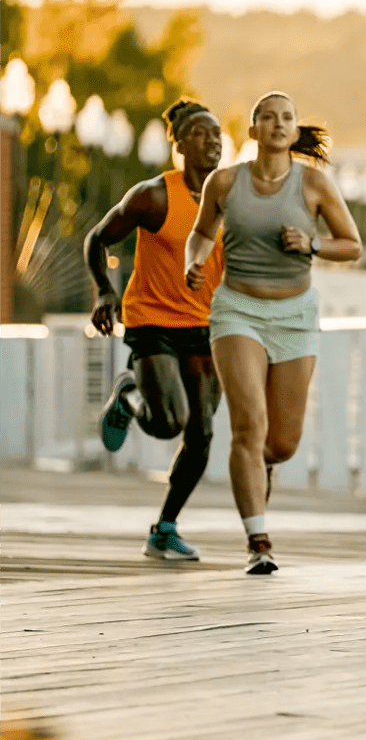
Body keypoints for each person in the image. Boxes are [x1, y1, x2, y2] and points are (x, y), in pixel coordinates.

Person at [185, 91, 362, 574]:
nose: (278, 124)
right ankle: (258, 541)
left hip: (295, 316)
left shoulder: (314, 184)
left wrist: (312, 244)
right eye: (268, 117)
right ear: (254, 130)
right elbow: (201, 233)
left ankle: (261, 468)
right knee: (248, 425)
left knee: (281, 443)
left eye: (287, 118)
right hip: (237, 311)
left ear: (295, 130)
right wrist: (193, 262)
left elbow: (352, 245)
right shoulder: (225, 182)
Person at [88, 99, 225, 561]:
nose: (212, 140)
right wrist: (104, 292)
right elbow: (98, 238)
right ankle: (130, 396)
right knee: (168, 422)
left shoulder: (231, 199)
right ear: (179, 145)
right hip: (152, 320)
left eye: (217, 133)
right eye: (201, 133)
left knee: (202, 435)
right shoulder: (154, 196)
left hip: (205, 326)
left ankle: (164, 529)